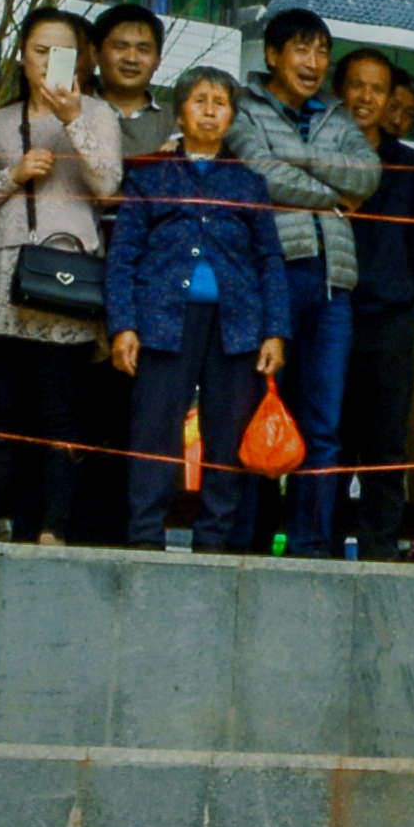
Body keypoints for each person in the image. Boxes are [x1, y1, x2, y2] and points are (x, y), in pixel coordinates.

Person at [0, 10, 130, 547]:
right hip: (2, 267)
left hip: (66, 272)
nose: (48, 62)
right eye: (39, 51)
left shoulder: (100, 113)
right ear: (22, 56)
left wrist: (75, 118)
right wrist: (15, 173)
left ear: (79, 60)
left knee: (59, 409)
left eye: (62, 52)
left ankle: (52, 527)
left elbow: (108, 185)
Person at [107, 70, 286, 554]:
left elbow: (270, 258)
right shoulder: (151, 176)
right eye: (200, 100)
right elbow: (123, 255)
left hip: (238, 326)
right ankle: (145, 536)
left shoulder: (248, 182)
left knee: (225, 436)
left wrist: (275, 332)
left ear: (232, 115)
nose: (210, 110)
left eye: (221, 102)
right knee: (154, 429)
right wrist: (122, 325)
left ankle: (214, 542)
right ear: (180, 110)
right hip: (162, 320)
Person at [231, 4, 380, 558]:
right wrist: (332, 195)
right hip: (268, 278)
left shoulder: (338, 117)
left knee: (323, 425)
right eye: (301, 48)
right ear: (272, 55)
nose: (314, 61)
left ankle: (310, 547)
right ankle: (245, 544)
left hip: (332, 284)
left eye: (322, 51)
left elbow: (368, 173)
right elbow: (258, 173)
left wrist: (296, 160)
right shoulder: (243, 109)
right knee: (256, 416)